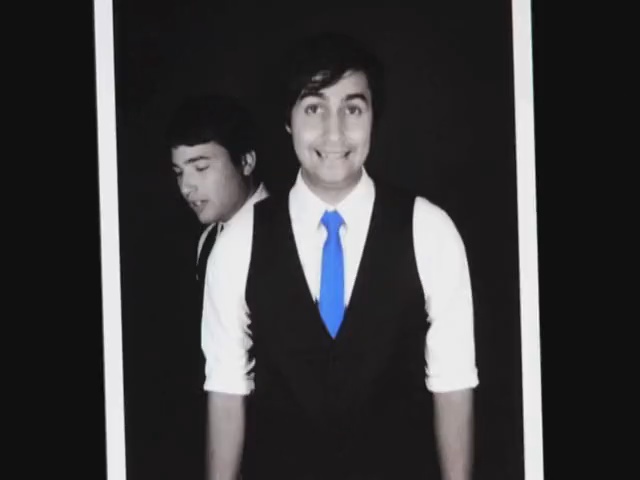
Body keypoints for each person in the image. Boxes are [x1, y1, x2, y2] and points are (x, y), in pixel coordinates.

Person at [202, 32, 478, 480]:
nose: (334, 133)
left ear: (373, 118)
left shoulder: (431, 230)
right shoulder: (237, 242)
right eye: (314, 108)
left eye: (353, 109)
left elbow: (454, 385)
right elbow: (226, 393)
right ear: (288, 120)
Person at [164, 93, 269, 479]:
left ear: (246, 161)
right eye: (179, 172)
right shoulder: (208, 240)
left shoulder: (284, 239)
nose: (186, 187)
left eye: (201, 167)